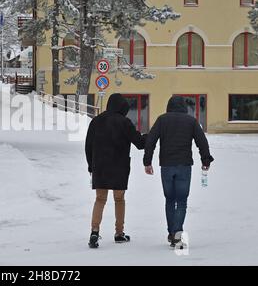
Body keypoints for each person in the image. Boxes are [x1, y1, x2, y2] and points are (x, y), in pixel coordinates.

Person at [143, 96, 214, 248]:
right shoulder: (191, 121)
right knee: (181, 201)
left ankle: (171, 233)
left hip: (167, 165)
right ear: (184, 107)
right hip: (184, 165)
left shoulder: (162, 120)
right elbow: (202, 141)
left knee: (170, 199)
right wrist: (205, 160)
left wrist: (147, 162)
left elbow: (150, 141)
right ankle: (177, 233)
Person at [85, 93, 146, 248]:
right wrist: (152, 136)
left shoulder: (96, 121)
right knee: (119, 200)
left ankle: (94, 231)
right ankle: (119, 233)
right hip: (119, 167)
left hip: (100, 167)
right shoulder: (124, 122)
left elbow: (88, 146)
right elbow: (140, 143)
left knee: (100, 199)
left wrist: (91, 165)